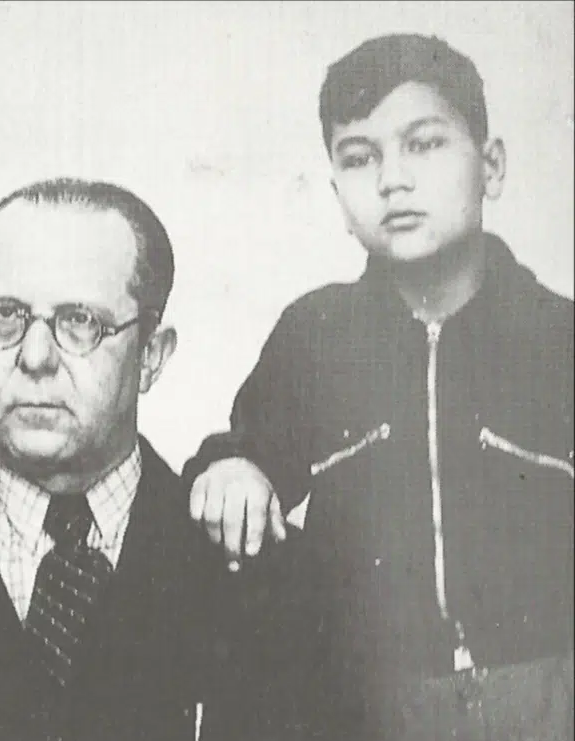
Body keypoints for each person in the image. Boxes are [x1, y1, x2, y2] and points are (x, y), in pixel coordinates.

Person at [183, 33, 574, 739]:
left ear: (491, 166)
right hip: (367, 707)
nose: (393, 179)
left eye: (424, 144)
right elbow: (247, 449)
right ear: (339, 197)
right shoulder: (316, 336)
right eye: (360, 157)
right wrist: (233, 468)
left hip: (549, 700)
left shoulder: (558, 337)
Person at [0, 177, 252, 741]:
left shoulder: (259, 579)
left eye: (80, 321)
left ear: (151, 356)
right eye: (4, 316)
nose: (35, 358)